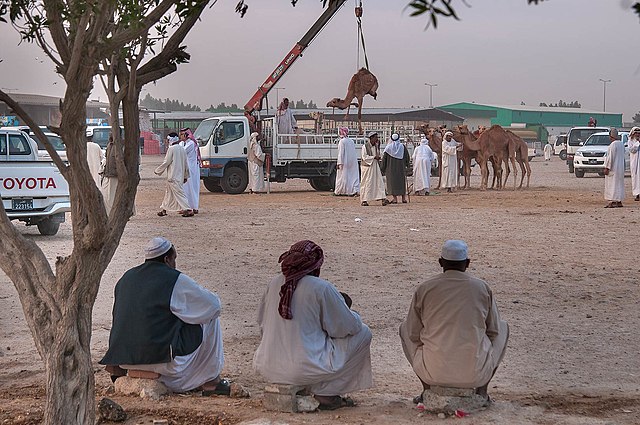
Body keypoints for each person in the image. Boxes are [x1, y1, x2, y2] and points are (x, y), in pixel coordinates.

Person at [100, 237, 229, 395]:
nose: (175, 264)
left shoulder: (126, 277)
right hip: (161, 360)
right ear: (167, 259)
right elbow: (214, 306)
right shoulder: (174, 279)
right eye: (174, 259)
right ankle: (211, 382)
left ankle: (120, 373)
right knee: (210, 317)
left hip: (126, 360)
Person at [253, 240, 373, 410]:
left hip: (268, 366)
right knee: (364, 333)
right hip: (303, 369)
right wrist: (351, 313)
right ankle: (326, 395)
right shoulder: (321, 288)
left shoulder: (273, 284)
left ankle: (310, 385)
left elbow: (262, 323)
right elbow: (348, 328)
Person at [399, 240, 509, 403]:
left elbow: (413, 333)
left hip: (432, 373)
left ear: (441, 262)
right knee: (503, 327)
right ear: (468, 263)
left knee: (404, 329)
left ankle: (426, 389)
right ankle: (482, 392)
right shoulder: (481, 287)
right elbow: (493, 330)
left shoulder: (425, 288)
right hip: (475, 374)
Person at [155, 133, 193, 217]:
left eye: (168, 140)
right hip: (179, 176)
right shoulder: (182, 149)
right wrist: (185, 176)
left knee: (179, 193)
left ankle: (188, 209)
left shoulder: (171, 149)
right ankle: (163, 210)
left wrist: (157, 171)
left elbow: (166, 162)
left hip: (173, 176)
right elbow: (186, 164)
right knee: (168, 194)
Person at [360, 131, 389, 206]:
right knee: (366, 183)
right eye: (376, 137)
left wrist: (378, 151)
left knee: (379, 182)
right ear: (371, 138)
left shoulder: (376, 146)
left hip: (375, 167)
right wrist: (373, 157)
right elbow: (364, 157)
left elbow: (379, 155)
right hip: (367, 168)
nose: (377, 139)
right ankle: (364, 200)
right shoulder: (365, 146)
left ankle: (383, 198)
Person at [380, 133, 410, 203]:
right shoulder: (402, 147)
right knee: (401, 182)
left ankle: (395, 199)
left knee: (392, 183)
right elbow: (407, 157)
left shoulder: (388, 148)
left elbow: (384, 159)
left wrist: (382, 168)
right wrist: (407, 165)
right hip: (401, 168)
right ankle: (403, 198)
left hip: (391, 169)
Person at [179, 128, 201, 214]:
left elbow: (182, 151)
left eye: (182, 134)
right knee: (185, 188)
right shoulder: (182, 143)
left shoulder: (191, 143)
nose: (180, 136)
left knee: (193, 188)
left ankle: (194, 207)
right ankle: (186, 207)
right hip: (186, 168)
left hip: (192, 169)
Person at [334, 126, 360, 196]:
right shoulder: (351, 141)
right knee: (352, 177)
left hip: (345, 162)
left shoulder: (342, 142)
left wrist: (339, 163)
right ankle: (353, 190)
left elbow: (341, 154)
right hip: (352, 162)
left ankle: (342, 191)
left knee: (343, 176)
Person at [603, 128, 625, 208]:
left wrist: (607, 168)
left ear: (611, 136)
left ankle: (612, 201)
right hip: (620, 168)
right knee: (619, 185)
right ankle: (619, 201)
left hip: (613, 169)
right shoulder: (621, 144)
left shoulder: (613, 145)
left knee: (612, 185)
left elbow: (610, 158)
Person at [101, 134, 119, 216]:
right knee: (105, 195)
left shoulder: (119, 146)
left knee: (112, 196)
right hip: (107, 174)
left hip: (115, 176)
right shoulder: (109, 145)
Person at [629, 126, 640, 202]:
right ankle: (637, 194)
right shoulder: (631, 141)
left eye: (638, 133)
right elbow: (632, 150)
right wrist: (637, 143)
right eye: (636, 133)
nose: (637, 134)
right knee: (636, 178)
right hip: (635, 163)